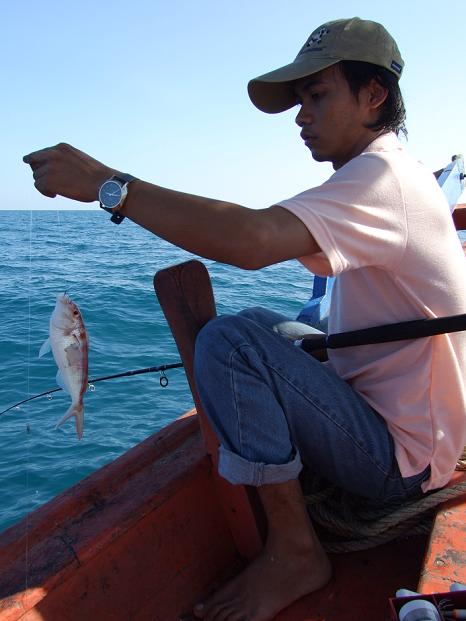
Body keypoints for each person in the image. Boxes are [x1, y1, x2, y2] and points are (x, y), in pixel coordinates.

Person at [23, 17, 466, 621]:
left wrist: (109, 185)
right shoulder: (390, 176)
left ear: (374, 95)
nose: (301, 116)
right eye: (298, 102)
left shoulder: (381, 178)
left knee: (231, 342)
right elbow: (259, 236)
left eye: (317, 96)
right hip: (419, 433)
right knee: (259, 324)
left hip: (402, 462)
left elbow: (251, 240)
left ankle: (295, 552)